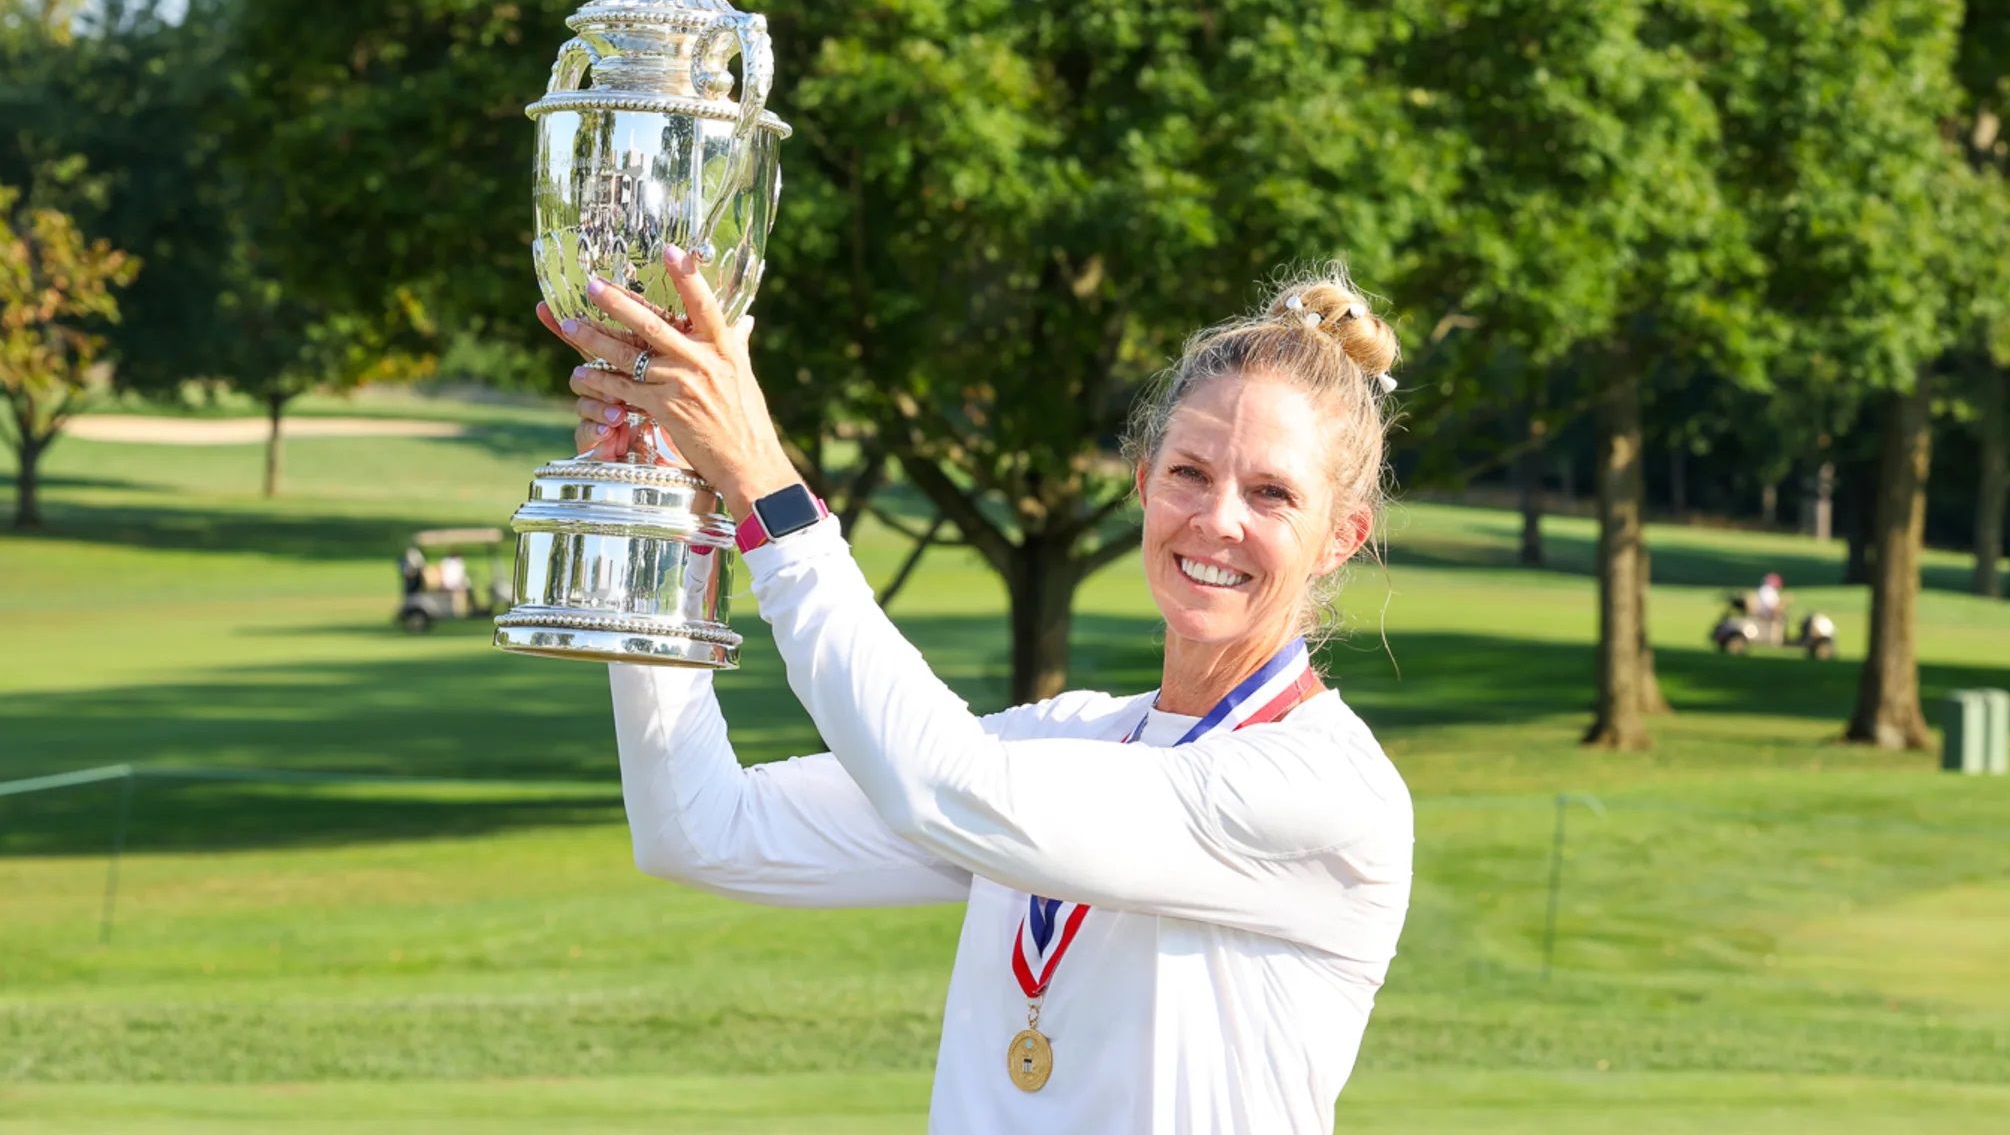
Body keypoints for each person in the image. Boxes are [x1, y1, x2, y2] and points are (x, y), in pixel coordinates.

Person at [540, 250, 1414, 1134]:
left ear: (1341, 536)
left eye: (1272, 494)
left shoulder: (1327, 792)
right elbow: (699, 829)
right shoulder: (1067, 738)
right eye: (1190, 472)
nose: (1217, 519)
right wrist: (658, 515)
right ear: (1144, 483)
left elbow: (944, 786)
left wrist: (761, 479)